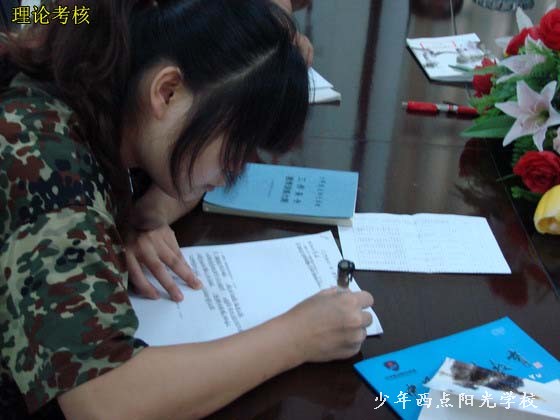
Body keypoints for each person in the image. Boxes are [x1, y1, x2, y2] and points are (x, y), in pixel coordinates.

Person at [0, 0, 375, 419]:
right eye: (233, 146)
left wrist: (142, 216)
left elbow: (187, 169)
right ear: (167, 91)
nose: (232, 174)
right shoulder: (45, 158)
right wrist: (297, 337)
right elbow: (102, 401)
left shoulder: (113, 80)